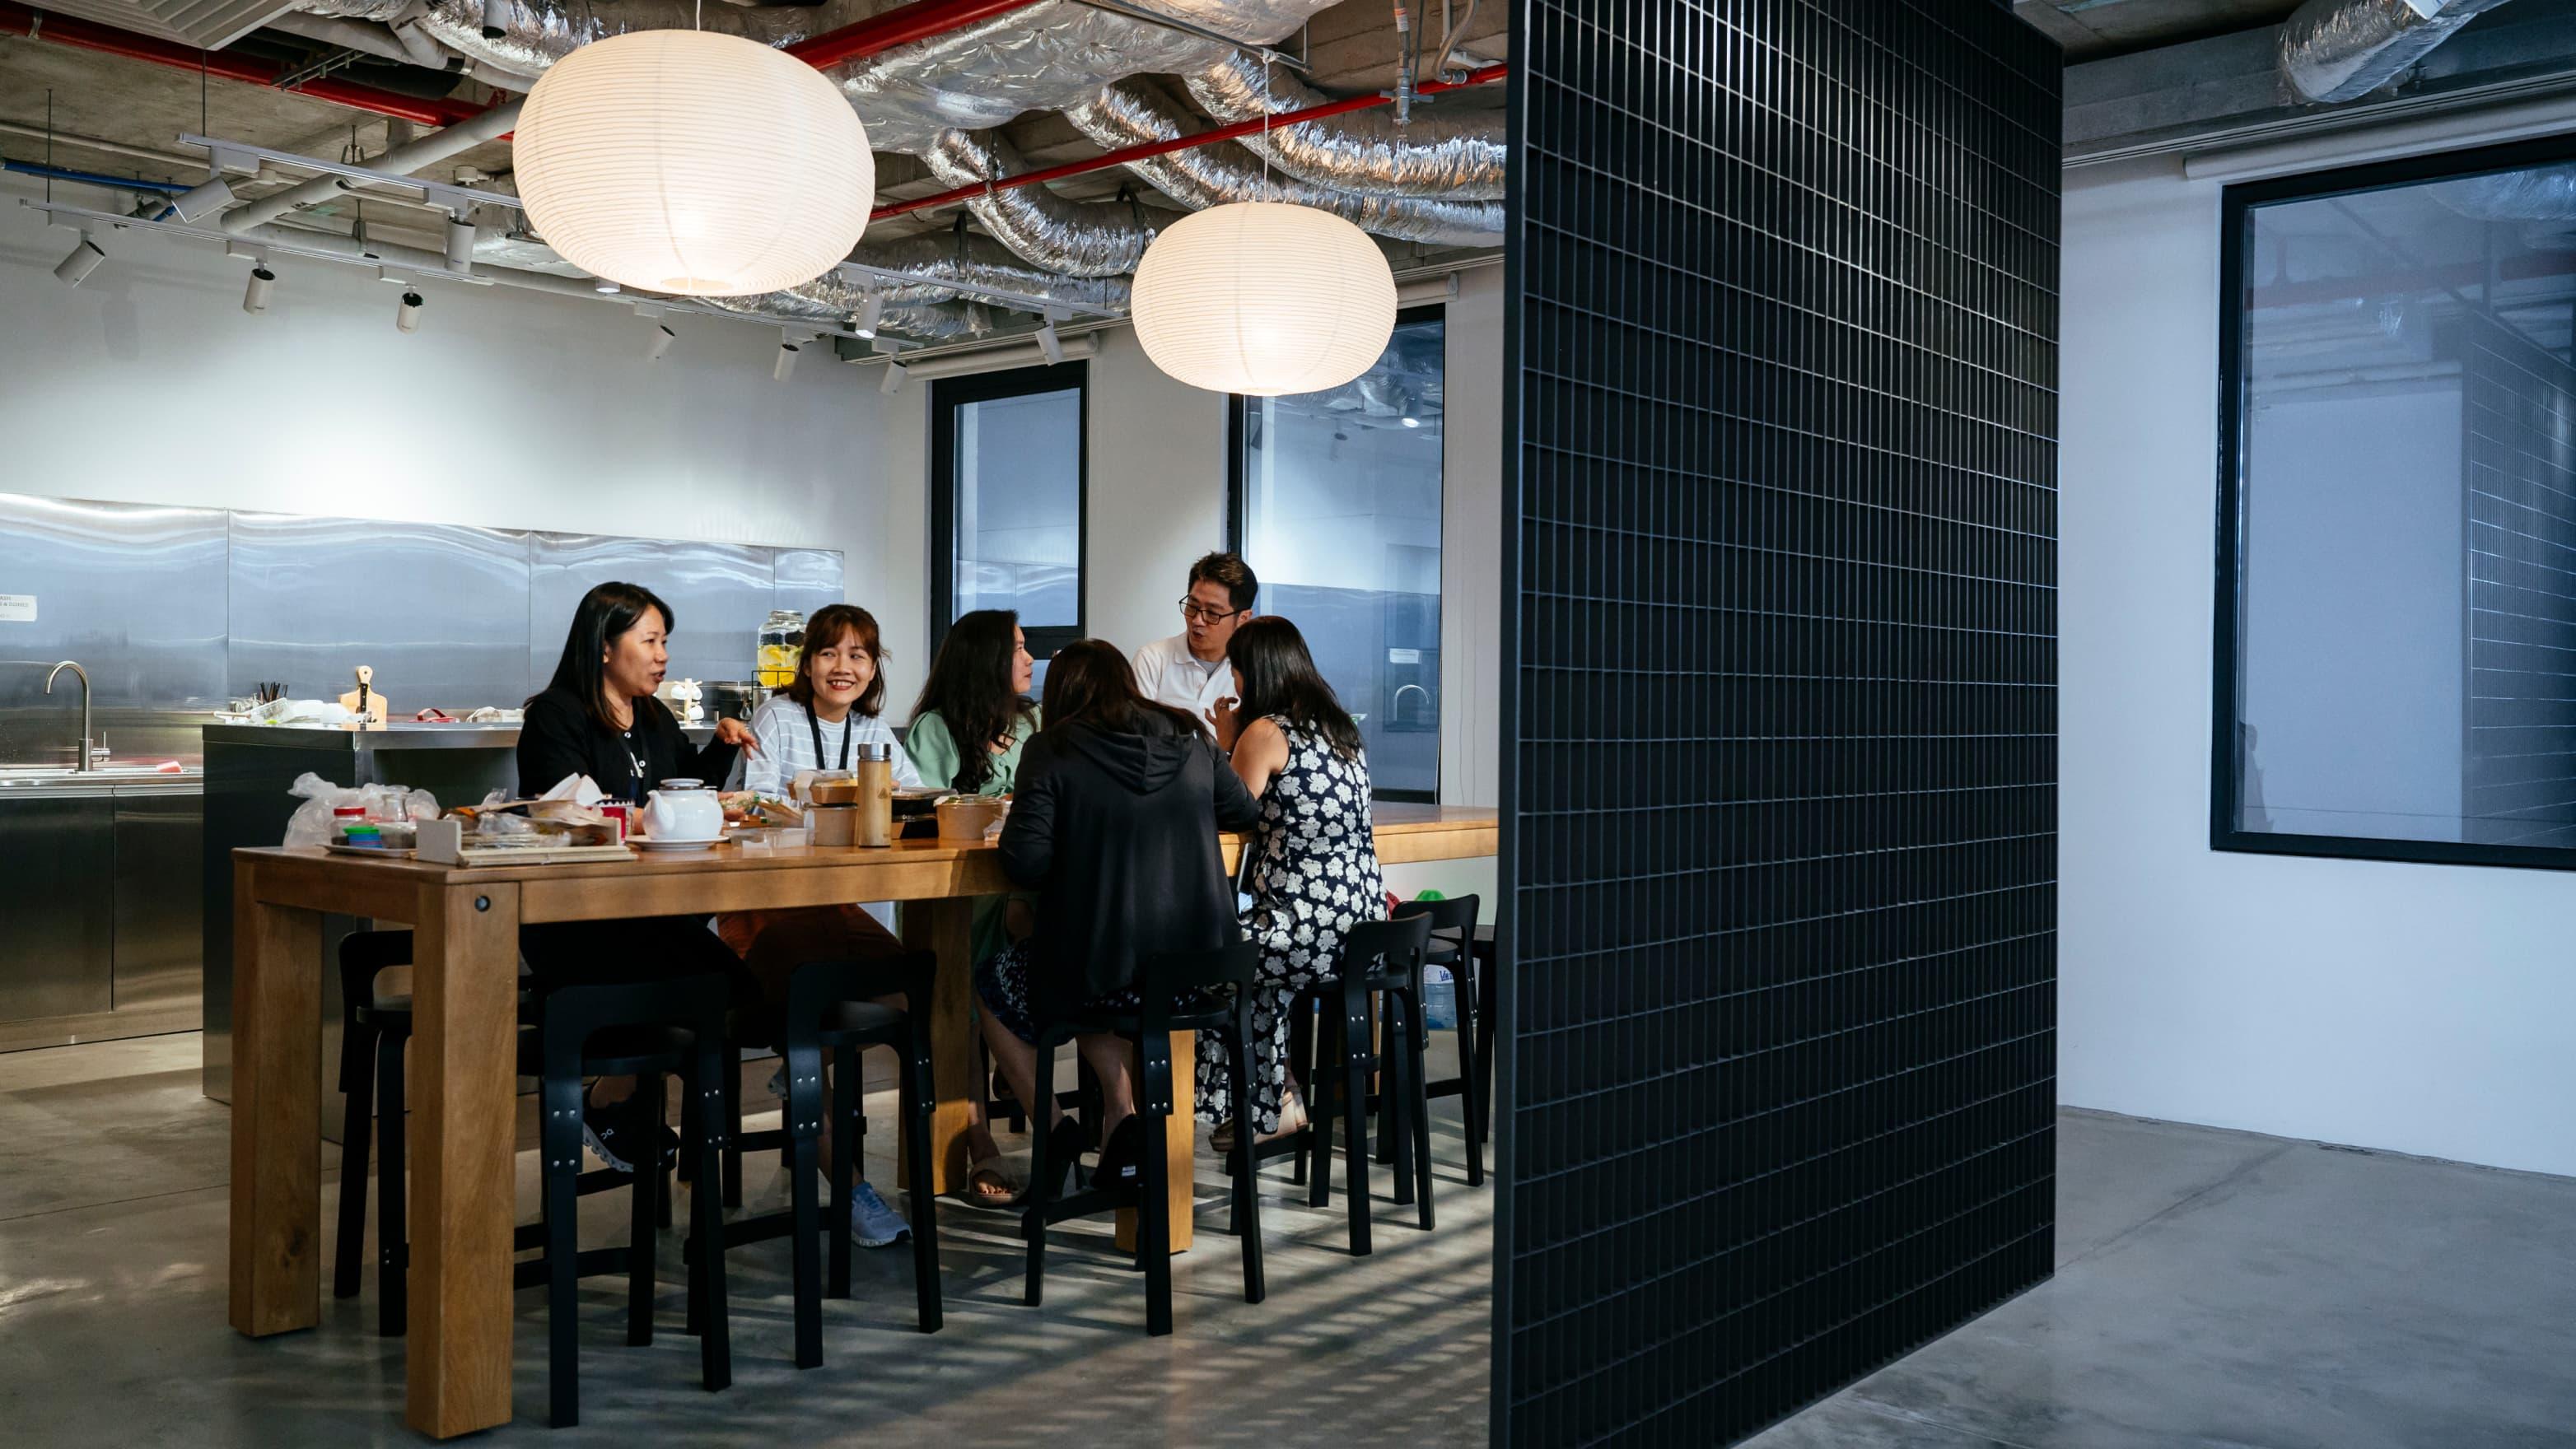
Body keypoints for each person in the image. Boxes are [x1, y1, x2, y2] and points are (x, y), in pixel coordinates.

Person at [973, 640, 1258, 1196]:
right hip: (1199, 976)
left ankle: (1054, 1132)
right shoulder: (1188, 733)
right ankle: (1121, 1121)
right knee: (1098, 979)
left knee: (992, 983)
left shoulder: (1052, 748)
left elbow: (1025, 860)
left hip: (1101, 972)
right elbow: (1243, 810)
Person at [517, 581, 763, 1173]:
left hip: (650, 913)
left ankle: (657, 1130)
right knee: (704, 986)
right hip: (578, 920)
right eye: (650, 640)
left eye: (665, 642)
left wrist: (721, 745)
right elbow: (566, 810)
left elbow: (681, 789)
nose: (663, 656)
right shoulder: (556, 714)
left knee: (737, 989)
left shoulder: (652, 715)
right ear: (605, 646)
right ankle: (612, 1099)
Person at [716, 603, 943, 1238]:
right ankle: (851, 1191)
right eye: (829, 653)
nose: (843, 668)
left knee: (908, 988)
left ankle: (804, 1071)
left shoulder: (875, 732)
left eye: (858, 656)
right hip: (764, 906)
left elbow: (914, 794)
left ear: (874, 669)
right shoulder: (777, 718)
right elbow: (754, 806)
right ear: (807, 662)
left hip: (837, 906)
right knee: (810, 1014)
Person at [1197, 616, 1385, 1147]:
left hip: (1302, 930)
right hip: (1363, 930)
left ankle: (1271, 1100)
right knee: (1251, 964)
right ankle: (1273, 1095)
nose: (1232, 682)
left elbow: (1230, 812)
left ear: (1254, 673)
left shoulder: (1266, 732)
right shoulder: (1342, 728)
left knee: (1205, 962)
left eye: (1235, 670)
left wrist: (1227, 742)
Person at [902, 608, 1040, 1203]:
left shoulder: (1032, 722)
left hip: (1018, 888)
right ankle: (981, 1142)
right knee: (956, 997)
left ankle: (1069, 1124)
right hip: (955, 894)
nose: (1030, 659)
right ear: (986, 659)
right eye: (1017, 647)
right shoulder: (936, 728)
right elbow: (928, 814)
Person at [1131, 551, 1258, 749]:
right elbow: (1134, 740)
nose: (1197, 621)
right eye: (1192, 606)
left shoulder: (1252, 671)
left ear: (1243, 618)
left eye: (1213, 613)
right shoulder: (1153, 660)